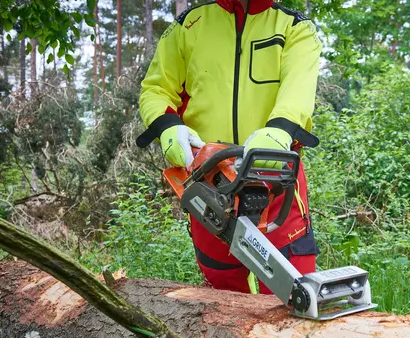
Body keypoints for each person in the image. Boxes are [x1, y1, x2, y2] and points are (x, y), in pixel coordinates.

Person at [138, 0, 322, 294]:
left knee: (294, 294)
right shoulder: (188, 26)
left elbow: (297, 91)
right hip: (209, 185)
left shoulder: (294, 29)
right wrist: (167, 126)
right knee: (219, 301)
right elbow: (156, 88)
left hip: (276, 184)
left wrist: (279, 129)